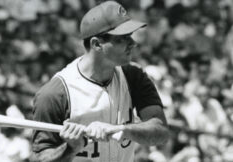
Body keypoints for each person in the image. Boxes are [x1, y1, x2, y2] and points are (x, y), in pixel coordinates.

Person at [31, 1, 169, 162]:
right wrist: (70, 149)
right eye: (123, 39)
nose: (133, 43)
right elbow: (40, 159)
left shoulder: (133, 75)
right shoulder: (55, 93)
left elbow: (161, 133)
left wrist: (121, 129)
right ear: (97, 44)